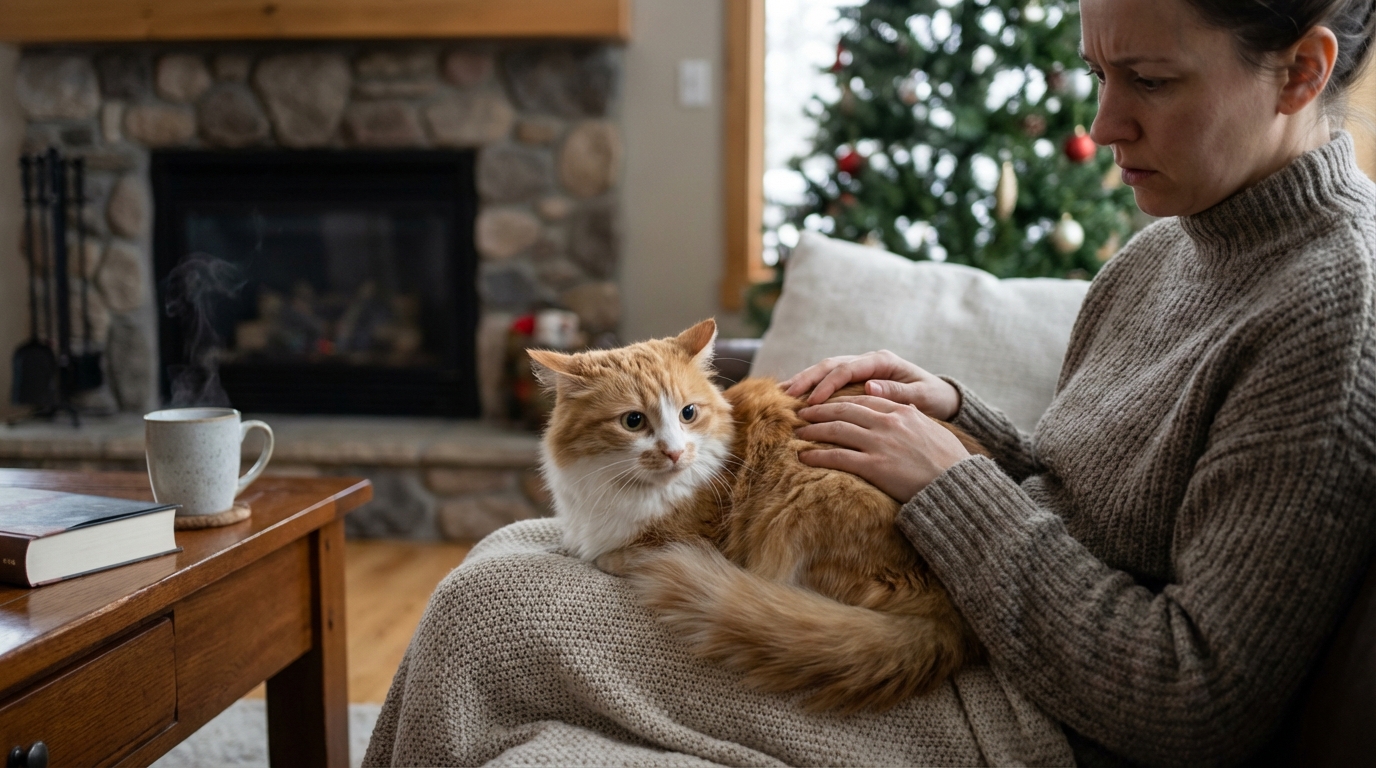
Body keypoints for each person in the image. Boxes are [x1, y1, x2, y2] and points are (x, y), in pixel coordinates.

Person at [365, 1, 1376, 765]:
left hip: (1044, 719)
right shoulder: (1169, 247)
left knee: (492, 617)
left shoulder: (1328, 311)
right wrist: (956, 414)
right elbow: (1094, 496)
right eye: (1096, 73)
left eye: (1149, 79)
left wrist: (951, 487)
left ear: (1299, 70)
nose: (1105, 123)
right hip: (996, 635)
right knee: (506, 556)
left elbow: (1192, 701)